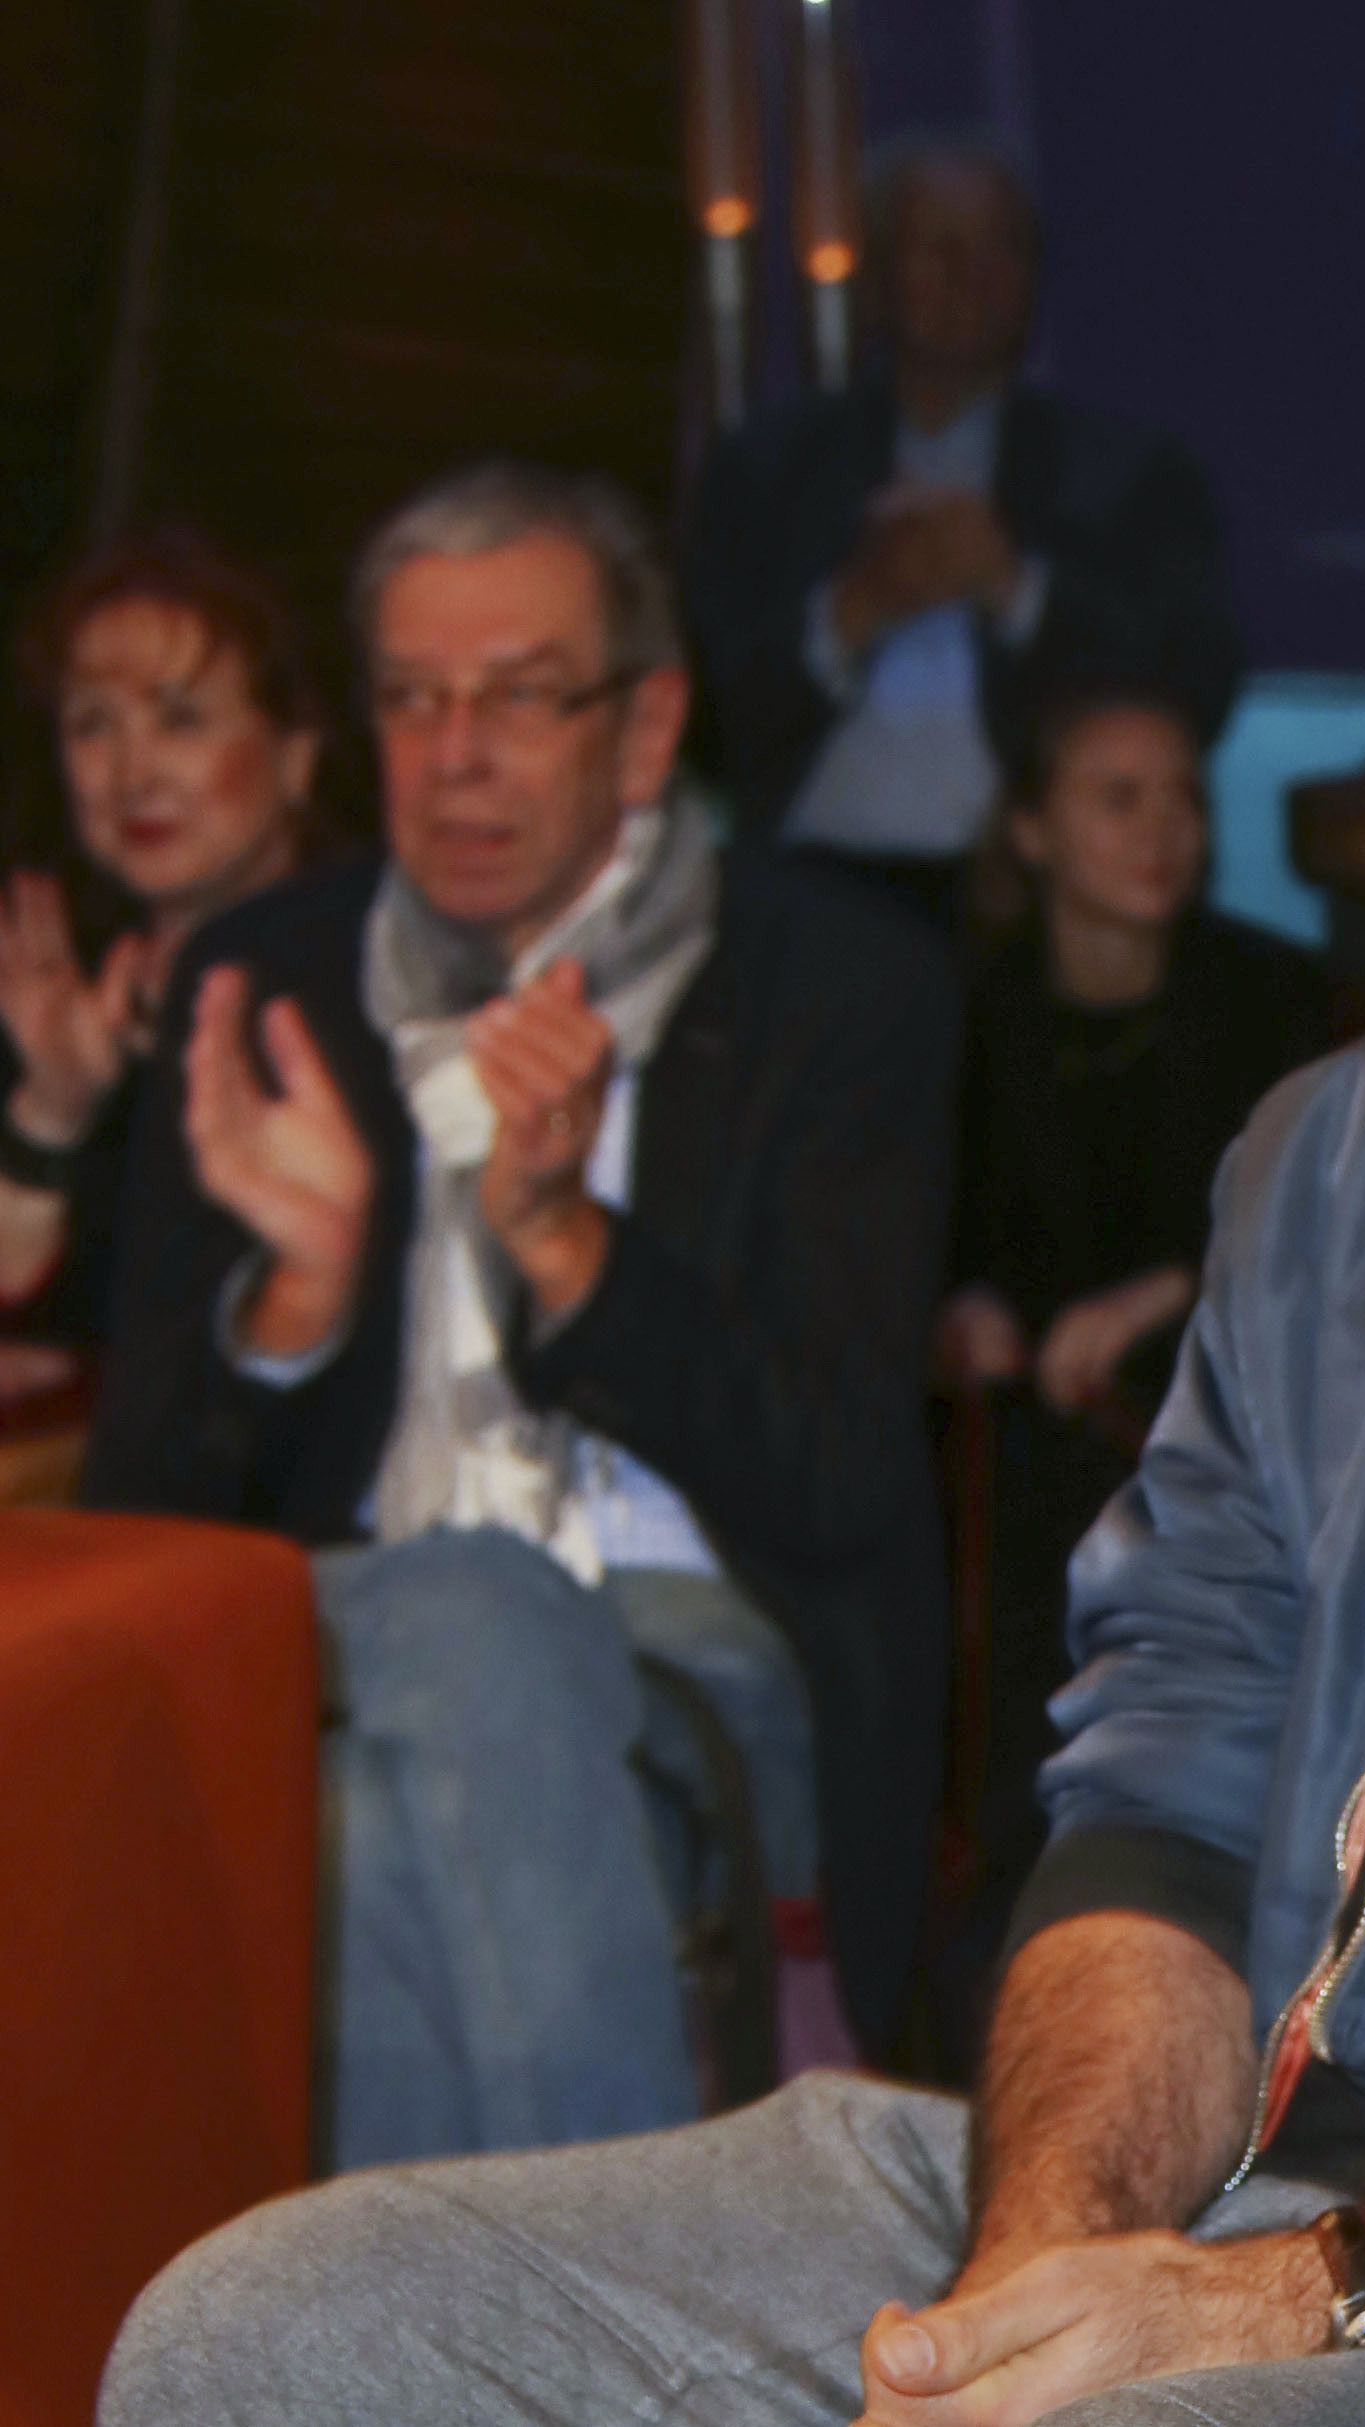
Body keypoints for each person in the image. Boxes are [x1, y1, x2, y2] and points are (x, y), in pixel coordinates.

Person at [106, 110, 1365, 2427]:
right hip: (1256, 2208)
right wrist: (1051, 2256)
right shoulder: (1353, 1153)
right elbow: (1170, 1786)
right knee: (281, 2330)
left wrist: (1313, 2291)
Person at [77, 461, 956, 2164]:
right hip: (350, 1620)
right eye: (412, 698)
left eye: (519, 696)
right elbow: (146, 1524)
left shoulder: (837, 985)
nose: (455, 754)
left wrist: (568, 1247)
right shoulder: (268, 980)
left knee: (365, 1815)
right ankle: (620, 2297)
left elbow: (841, 1476)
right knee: (461, 1609)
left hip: (700, 1639)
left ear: (644, 728)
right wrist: (297, 1299)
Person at [932, 677, 1334, 2039]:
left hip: (1215, 1438)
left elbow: (1317, 1242)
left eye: (1182, 799)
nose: (1162, 831)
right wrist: (959, 1311)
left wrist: (1166, 1293)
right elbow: (925, 1234)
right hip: (1005, 1460)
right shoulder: (962, 1011)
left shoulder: (1278, 1003)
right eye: (1117, 798)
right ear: (1031, 829)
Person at [684, 134, 1240, 919]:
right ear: (877, 275)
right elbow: (702, 722)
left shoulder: (1127, 475)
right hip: (813, 887)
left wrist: (1015, 589)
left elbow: (1198, 685)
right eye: (939, 248)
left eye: (1000, 248)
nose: (971, 275)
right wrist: (852, 610)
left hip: (1043, 905)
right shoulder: (770, 466)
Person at [2, 530, 329, 1378]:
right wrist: (51, 1112)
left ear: (295, 757)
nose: (133, 773)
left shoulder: (358, 997)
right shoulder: (63, 995)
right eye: (93, 726)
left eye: (181, 720)